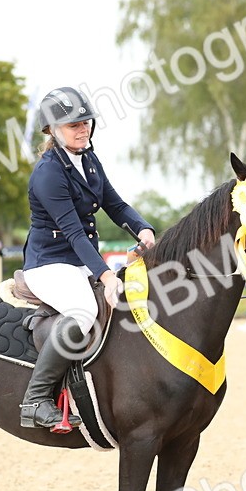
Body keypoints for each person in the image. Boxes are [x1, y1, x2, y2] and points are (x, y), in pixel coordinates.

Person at [19, 86, 156, 429]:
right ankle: (35, 399)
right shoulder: (48, 173)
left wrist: (143, 229)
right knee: (84, 312)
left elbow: (115, 205)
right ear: (51, 130)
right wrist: (106, 275)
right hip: (49, 264)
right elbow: (73, 233)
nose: (82, 129)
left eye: (86, 121)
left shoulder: (90, 161)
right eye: (73, 125)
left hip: (79, 262)